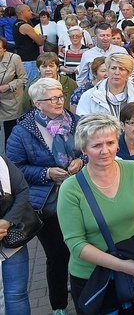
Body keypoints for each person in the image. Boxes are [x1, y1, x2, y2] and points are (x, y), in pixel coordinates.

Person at [7, 78, 83, 315]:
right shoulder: (23, 131)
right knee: (58, 254)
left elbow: (90, 149)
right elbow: (15, 169)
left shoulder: (74, 121)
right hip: (47, 203)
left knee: (81, 247)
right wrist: (46, 173)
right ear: (38, 104)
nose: (60, 101)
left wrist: (83, 160)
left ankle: (84, 298)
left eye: (61, 96)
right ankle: (59, 305)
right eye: (53, 98)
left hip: (79, 195)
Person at [0, 155, 33, 315]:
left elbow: (22, 190)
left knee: (17, 294)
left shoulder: (1, 162)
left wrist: (7, 221)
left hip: (11, 243)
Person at [76, 53, 134, 122]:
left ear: (129, 73)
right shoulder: (89, 96)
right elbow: (82, 124)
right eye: (113, 68)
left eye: (121, 69)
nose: (117, 73)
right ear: (107, 71)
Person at [12, 5, 44, 83]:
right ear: (22, 13)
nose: (31, 13)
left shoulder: (15, 24)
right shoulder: (25, 26)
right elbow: (40, 41)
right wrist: (40, 37)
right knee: (32, 83)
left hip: (24, 57)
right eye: (29, 10)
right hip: (30, 59)